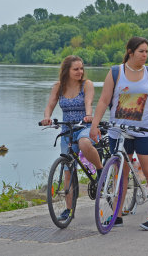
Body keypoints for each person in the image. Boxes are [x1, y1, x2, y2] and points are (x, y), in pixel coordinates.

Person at [89, 37, 148, 230]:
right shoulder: (115, 72)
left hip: (145, 130)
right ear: (130, 52)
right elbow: (104, 100)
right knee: (120, 174)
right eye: (141, 51)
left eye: (147, 51)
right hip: (118, 131)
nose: (145, 55)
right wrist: (94, 125)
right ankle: (117, 216)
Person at [41, 55, 104, 221]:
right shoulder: (58, 87)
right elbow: (50, 105)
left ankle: (100, 169)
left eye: (81, 68)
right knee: (68, 169)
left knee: (84, 143)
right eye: (75, 69)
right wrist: (47, 117)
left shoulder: (86, 85)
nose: (80, 71)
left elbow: (88, 103)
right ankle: (69, 210)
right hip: (67, 129)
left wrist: (89, 115)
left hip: (84, 125)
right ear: (67, 70)